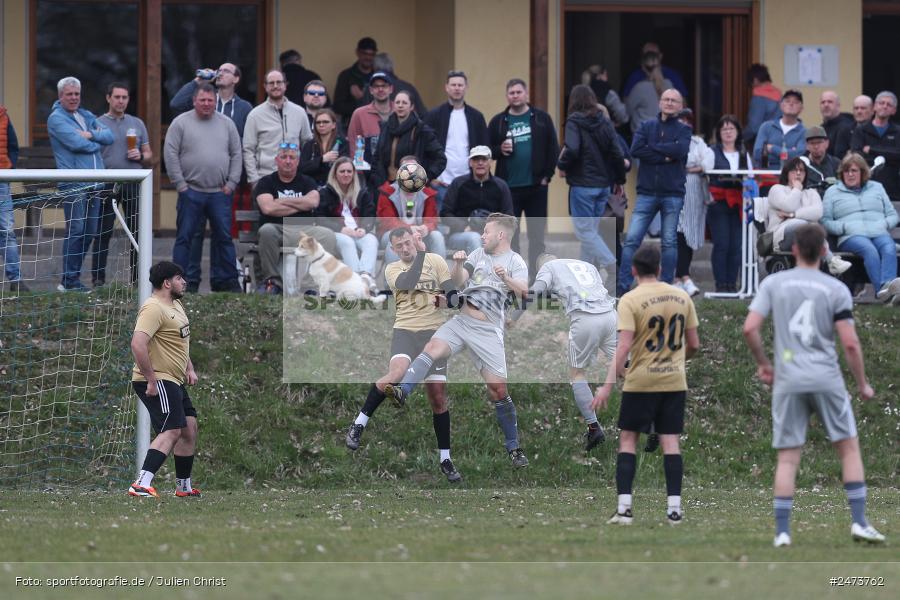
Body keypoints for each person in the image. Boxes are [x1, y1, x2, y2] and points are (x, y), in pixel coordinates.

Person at [742, 223, 886, 547]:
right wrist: (862, 383)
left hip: (788, 377)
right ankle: (860, 523)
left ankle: (782, 532)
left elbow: (750, 328)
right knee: (848, 448)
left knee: (789, 457)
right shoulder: (836, 289)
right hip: (825, 376)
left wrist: (765, 364)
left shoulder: (774, 283)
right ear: (824, 251)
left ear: (792, 250)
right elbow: (849, 343)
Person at [385, 214, 531, 468]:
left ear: (501, 235)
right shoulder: (477, 254)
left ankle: (514, 448)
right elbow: (459, 282)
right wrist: (457, 264)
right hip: (462, 320)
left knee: (498, 390)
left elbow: (525, 293)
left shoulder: (515, 261)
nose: (482, 236)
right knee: (433, 347)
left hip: (488, 331)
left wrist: (506, 278)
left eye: (486, 231)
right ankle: (402, 390)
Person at [593, 243, 700, 526]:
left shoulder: (630, 299)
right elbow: (694, 344)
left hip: (640, 381)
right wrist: (677, 360)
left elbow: (623, 346)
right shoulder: (681, 297)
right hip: (674, 380)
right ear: (661, 269)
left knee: (628, 440)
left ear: (633, 270)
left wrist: (607, 384)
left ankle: (625, 509)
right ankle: (674, 510)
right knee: (670, 442)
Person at [345, 227, 462, 482]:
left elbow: (453, 295)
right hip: (406, 332)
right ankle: (359, 424)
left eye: (408, 243)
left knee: (438, 398)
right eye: (400, 246)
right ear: (393, 250)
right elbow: (409, 283)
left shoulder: (437, 261)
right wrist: (421, 253)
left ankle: (446, 459)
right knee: (396, 374)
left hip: (434, 336)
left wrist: (448, 300)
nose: (405, 248)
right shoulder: (392, 269)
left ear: (413, 240)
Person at [169, 63, 252, 293]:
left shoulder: (227, 123)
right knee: (186, 239)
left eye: (210, 100)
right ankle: (183, 283)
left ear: (214, 101)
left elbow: (237, 153)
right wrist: (181, 184)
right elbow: (171, 154)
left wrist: (232, 182)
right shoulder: (181, 122)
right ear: (195, 100)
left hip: (220, 192)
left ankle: (225, 282)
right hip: (190, 191)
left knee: (224, 238)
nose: (206, 104)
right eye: (202, 100)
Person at [526, 254, 617, 450]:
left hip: (585, 318)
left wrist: (513, 316)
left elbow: (534, 293)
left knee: (577, 374)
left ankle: (594, 428)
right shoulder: (584, 263)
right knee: (626, 368)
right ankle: (652, 416)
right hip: (610, 315)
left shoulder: (547, 267)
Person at [128, 261, 200, 499]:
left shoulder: (176, 305)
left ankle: (183, 487)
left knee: (188, 428)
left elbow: (179, 341)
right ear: (167, 283)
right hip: (157, 378)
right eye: (180, 278)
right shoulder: (153, 308)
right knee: (171, 430)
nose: (184, 282)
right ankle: (141, 483)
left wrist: (188, 367)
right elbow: (138, 344)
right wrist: (150, 379)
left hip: (174, 379)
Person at [616, 89, 690, 297]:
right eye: (666, 99)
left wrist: (654, 148)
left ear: (680, 105)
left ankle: (665, 287)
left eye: (674, 100)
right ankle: (622, 288)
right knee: (631, 240)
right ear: (659, 103)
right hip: (647, 192)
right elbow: (636, 150)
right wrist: (666, 153)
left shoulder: (684, 130)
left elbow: (680, 151)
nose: (669, 103)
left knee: (669, 242)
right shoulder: (646, 126)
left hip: (673, 194)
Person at [47, 76, 114, 292]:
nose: (74, 97)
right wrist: (96, 139)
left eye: (77, 94)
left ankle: (72, 278)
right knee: (76, 230)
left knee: (90, 231)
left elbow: (110, 136)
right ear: (60, 96)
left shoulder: (85, 115)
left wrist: (90, 134)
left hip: (95, 183)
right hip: (74, 183)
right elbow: (78, 144)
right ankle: (69, 280)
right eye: (69, 94)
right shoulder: (56, 118)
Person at [488, 79, 559, 278]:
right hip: (508, 189)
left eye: (519, 92)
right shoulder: (498, 122)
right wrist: (499, 149)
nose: (515, 95)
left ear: (526, 94)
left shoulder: (541, 118)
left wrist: (547, 176)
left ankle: (537, 279)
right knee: (512, 237)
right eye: (511, 92)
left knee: (537, 237)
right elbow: (488, 151)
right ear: (507, 96)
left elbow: (553, 148)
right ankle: (515, 278)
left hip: (537, 187)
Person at [557, 84, 626, 273]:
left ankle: (611, 264)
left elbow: (572, 148)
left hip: (582, 185)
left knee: (585, 232)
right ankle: (584, 281)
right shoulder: (604, 122)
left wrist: (561, 165)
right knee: (591, 234)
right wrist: (619, 180)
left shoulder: (574, 121)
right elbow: (617, 153)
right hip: (603, 186)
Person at [252, 142, 335, 295]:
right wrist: (300, 204)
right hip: (277, 229)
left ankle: (311, 285)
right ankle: (272, 282)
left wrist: (281, 201)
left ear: (297, 161)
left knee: (328, 235)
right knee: (266, 231)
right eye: (284, 157)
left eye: (292, 157)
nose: (288, 161)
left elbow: (313, 202)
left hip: (304, 230)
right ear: (277, 160)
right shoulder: (266, 182)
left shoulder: (307, 181)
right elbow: (268, 208)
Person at [822, 153, 900, 303]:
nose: (850, 174)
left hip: (878, 231)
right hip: (852, 235)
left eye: (854, 171)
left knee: (889, 247)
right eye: (846, 171)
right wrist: (844, 227)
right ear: (842, 174)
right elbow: (826, 220)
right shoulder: (832, 192)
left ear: (862, 172)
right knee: (869, 250)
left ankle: (887, 287)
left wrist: (883, 224)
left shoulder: (877, 188)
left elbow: (892, 215)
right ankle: (883, 293)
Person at [96, 82, 152, 287]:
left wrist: (141, 155)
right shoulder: (97, 123)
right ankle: (98, 279)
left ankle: (137, 280)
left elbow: (150, 156)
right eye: (117, 97)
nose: (121, 101)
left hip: (133, 181)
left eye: (124, 97)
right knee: (103, 231)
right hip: (106, 183)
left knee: (137, 232)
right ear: (108, 98)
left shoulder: (137, 123)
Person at [765, 156, 851, 275]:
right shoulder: (776, 190)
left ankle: (828, 264)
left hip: (808, 235)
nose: (798, 173)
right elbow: (789, 205)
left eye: (802, 170)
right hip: (781, 237)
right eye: (794, 170)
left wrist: (792, 214)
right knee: (806, 227)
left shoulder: (811, 193)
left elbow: (818, 212)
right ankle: (831, 260)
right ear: (787, 173)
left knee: (810, 229)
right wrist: (796, 190)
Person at [423, 70, 489, 211]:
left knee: (469, 226)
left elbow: (485, 149)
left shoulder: (476, 117)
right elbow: (423, 147)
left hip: (468, 183)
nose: (457, 88)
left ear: (466, 87)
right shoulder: (434, 115)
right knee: (441, 228)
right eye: (453, 85)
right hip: (440, 183)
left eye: (460, 85)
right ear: (446, 87)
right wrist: (430, 177)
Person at [243, 69, 313, 187]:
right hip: (265, 178)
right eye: (271, 83)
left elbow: (308, 143)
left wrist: (305, 172)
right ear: (265, 87)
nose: (275, 86)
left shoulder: (299, 112)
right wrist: (254, 180)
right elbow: (248, 150)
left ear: (285, 85)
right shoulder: (255, 115)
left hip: (295, 178)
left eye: (279, 82)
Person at [441, 145, 513, 255]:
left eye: (484, 159)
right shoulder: (458, 183)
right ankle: (479, 272)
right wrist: (464, 226)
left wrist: (493, 231)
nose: (480, 163)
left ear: (490, 162)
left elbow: (509, 216)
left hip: (492, 236)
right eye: (476, 159)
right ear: (470, 163)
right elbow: (444, 213)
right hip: (461, 235)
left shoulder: (501, 186)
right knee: (475, 238)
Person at [674, 108, 714, 297]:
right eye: (681, 121)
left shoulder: (698, 142)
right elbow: (676, 161)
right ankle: (681, 277)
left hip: (695, 195)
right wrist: (694, 165)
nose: (685, 125)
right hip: (674, 192)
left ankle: (682, 278)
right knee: (677, 233)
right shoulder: (670, 140)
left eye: (688, 122)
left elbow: (708, 162)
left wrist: (692, 167)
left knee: (689, 233)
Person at [376, 156, 445, 264]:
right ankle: (393, 279)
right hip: (393, 233)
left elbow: (432, 219)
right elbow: (387, 222)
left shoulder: (428, 193)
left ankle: (441, 277)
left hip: (419, 235)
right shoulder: (387, 192)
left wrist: (426, 227)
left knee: (437, 236)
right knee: (394, 239)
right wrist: (408, 229)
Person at [317, 157, 377, 277]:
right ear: (335, 174)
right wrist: (341, 229)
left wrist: (364, 228)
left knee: (371, 240)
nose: (346, 174)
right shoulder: (325, 193)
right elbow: (320, 218)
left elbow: (370, 215)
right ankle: (355, 278)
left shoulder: (362, 192)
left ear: (353, 174)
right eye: (342, 171)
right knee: (347, 242)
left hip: (358, 231)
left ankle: (365, 276)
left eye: (349, 171)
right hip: (337, 232)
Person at [372, 90, 445, 188]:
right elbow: (377, 157)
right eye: (397, 102)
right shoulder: (386, 127)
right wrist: (375, 177)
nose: (400, 105)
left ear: (411, 107)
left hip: (411, 187)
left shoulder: (422, 130)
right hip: (385, 186)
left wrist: (425, 177)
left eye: (404, 103)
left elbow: (440, 159)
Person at [707, 115, 747, 293]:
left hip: (739, 202)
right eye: (724, 129)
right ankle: (720, 284)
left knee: (736, 246)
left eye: (732, 129)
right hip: (719, 202)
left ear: (738, 132)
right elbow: (705, 172)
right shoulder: (711, 151)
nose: (728, 132)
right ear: (719, 132)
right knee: (722, 244)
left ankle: (732, 284)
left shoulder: (744, 153)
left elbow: (751, 176)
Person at [169, 63, 252, 137]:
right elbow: (176, 104)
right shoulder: (205, 101)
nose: (220, 74)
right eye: (219, 71)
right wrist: (197, 81)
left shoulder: (244, 107)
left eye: (226, 71)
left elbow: (247, 139)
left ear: (236, 79)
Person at [850, 91, 900, 202]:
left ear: (894, 110)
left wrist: (872, 150)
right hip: (866, 186)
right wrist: (888, 156)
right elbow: (857, 156)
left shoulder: (897, 131)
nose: (884, 106)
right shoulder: (861, 130)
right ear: (874, 107)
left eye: (889, 105)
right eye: (881, 103)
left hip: (892, 189)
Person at [0, 104, 26, 293]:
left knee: (7, 230)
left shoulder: (4, 116)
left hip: (2, 180)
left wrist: (9, 168)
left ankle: (15, 279)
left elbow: (13, 147)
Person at [347, 71, 394, 170]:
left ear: (391, 89)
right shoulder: (359, 114)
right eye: (376, 86)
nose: (380, 89)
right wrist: (358, 171)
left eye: (384, 86)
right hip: (369, 173)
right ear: (371, 90)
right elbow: (354, 144)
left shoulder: (400, 111)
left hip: (397, 172)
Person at [362, 53, 428, 118]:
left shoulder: (371, 89)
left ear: (374, 68)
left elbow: (362, 117)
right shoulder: (408, 87)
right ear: (392, 67)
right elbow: (423, 115)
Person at [754, 89, 806, 169]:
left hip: (791, 177)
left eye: (795, 102)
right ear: (781, 105)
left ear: (801, 108)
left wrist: (771, 148)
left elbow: (800, 158)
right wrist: (789, 153)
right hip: (767, 176)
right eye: (787, 101)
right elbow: (757, 154)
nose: (791, 104)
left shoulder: (804, 132)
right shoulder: (766, 127)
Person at [625, 48, 674, 134]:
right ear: (659, 66)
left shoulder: (639, 88)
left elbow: (627, 112)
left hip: (645, 138)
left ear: (643, 67)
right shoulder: (669, 85)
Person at [333, 37, 378, 125]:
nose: (368, 57)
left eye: (372, 54)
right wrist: (359, 103)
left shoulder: (379, 76)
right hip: (352, 125)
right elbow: (337, 106)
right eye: (365, 53)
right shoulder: (346, 76)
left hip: (376, 124)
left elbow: (386, 105)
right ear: (357, 52)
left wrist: (361, 99)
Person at [621, 42, 688, 101]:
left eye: (653, 55)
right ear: (642, 58)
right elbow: (626, 104)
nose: (650, 58)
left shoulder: (672, 77)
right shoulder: (634, 77)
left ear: (660, 56)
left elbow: (683, 104)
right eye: (647, 55)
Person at [300, 108, 349, 186]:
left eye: (325, 122)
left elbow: (345, 166)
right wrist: (322, 159)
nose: (321, 125)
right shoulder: (309, 144)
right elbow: (302, 168)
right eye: (318, 122)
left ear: (334, 125)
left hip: (336, 187)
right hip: (312, 187)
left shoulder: (343, 143)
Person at [745, 63, 782, 150]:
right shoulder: (780, 95)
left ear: (755, 80)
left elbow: (753, 128)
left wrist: (738, 137)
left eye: (750, 83)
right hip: (778, 144)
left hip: (762, 146)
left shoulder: (759, 98)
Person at [802, 125, 841, 195]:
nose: (816, 146)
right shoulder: (802, 165)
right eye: (812, 143)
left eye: (819, 142)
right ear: (807, 146)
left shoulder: (836, 163)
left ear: (827, 143)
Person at [835, 95, 874, 163]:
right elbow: (839, 155)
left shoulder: (877, 129)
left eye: (863, 108)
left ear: (872, 111)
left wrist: (852, 154)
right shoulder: (845, 130)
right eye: (856, 108)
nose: (859, 111)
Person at [820, 91, 854, 159]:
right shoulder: (821, 129)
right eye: (823, 102)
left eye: (830, 102)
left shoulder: (848, 126)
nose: (826, 105)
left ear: (838, 105)